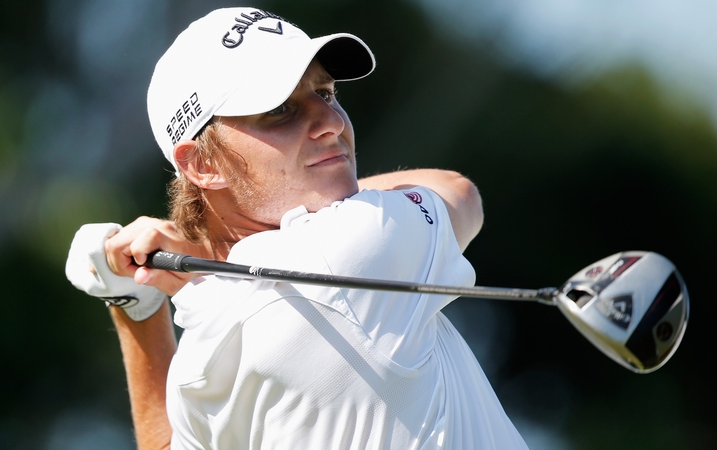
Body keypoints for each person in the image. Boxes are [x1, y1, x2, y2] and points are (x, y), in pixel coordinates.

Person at [65, 6, 527, 449]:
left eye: (324, 93)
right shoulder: (358, 244)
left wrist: (134, 306)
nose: (331, 122)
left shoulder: (199, 343)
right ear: (202, 164)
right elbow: (455, 190)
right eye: (280, 110)